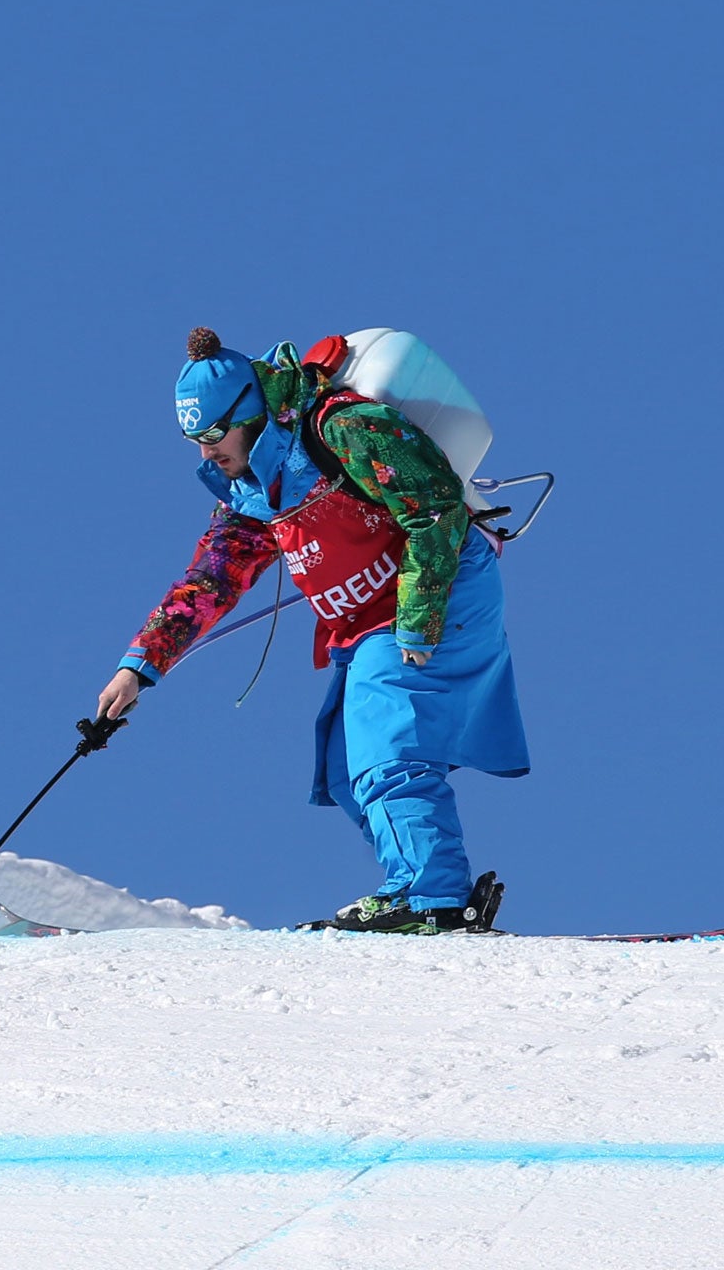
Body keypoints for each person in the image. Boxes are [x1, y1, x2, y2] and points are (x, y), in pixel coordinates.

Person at [96, 328, 529, 933]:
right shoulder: (251, 490)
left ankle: (433, 898)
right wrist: (138, 666)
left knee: (388, 747)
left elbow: (433, 505)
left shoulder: (343, 428)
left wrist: (419, 621)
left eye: (214, 434)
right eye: (194, 439)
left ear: (248, 412)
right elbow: (211, 581)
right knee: (347, 765)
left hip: (435, 591)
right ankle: (414, 885)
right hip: (367, 621)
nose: (206, 452)